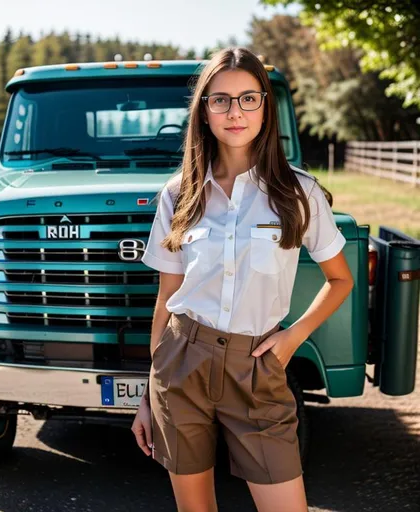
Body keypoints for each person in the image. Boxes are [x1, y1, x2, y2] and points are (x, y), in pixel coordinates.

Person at [131, 47, 354, 512]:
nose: (235, 112)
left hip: (257, 368)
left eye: (248, 98)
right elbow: (167, 296)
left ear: (265, 107)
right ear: (204, 111)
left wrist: (292, 339)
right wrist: (148, 394)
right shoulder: (178, 194)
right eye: (221, 100)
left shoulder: (297, 192)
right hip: (181, 363)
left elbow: (340, 280)